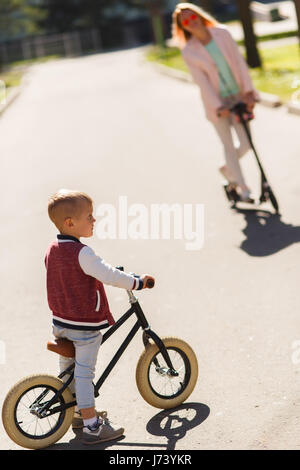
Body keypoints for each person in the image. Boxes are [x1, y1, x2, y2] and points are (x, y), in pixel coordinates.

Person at [45, 189, 155, 445]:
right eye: (89, 217)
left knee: (68, 371)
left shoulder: (53, 249)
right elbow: (109, 275)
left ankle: (74, 413)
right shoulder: (83, 253)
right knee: (84, 374)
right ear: (70, 223)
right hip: (83, 327)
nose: (94, 220)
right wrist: (137, 282)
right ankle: (92, 425)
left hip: (60, 322)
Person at [172, 3, 260, 202]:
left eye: (192, 16)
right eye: (185, 21)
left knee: (246, 144)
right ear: (183, 27)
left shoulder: (222, 33)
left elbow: (239, 62)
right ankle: (244, 189)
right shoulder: (189, 51)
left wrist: (248, 91)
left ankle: (228, 169)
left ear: (199, 16)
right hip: (217, 105)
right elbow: (201, 81)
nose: (190, 22)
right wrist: (217, 106)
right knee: (228, 146)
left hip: (238, 96)